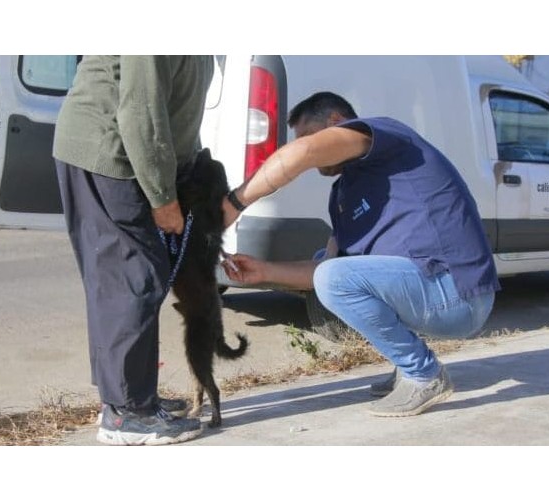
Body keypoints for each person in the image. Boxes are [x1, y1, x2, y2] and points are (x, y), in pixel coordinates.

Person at [221, 92, 500, 417]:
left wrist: (233, 203)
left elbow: (303, 152)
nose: (308, 150)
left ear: (337, 123)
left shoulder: (387, 137)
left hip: (457, 293)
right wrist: (264, 271)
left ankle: (423, 374)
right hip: (429, 293)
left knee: (334, 277)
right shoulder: (343, 193)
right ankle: (405, 365)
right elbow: (324, 268)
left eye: (310, 134)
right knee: (332, 270)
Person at [53, 56, 214, 445]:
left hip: (120, 151)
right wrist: (163, 199)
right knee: (134, 275)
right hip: (112, 153)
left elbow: (179, 109)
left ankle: (129, 399)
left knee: (122, 277)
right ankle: (127, 413)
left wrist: (189, 174)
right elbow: (141, 112)